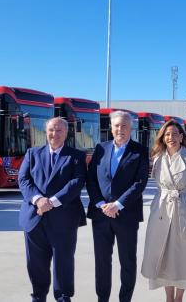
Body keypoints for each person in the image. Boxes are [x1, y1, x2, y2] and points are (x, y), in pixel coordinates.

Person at [18, 117, 87, 302]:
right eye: (51, 130)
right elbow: (23, 180)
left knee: (63, 262)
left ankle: (63, 297)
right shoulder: (33, 153)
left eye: (59, 131)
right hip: (34, 217)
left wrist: (53, 202)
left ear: (66, 133)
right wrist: (39, 199)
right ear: (46, 132)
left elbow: (77, 182)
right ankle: (38, 296)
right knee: (36, 263)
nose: (54, 134)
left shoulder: (76, 156)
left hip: (64, 218)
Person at [87, 111, 149, 302]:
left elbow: (140, 182)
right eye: (116, 126)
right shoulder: (100, 149)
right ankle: (102, 299)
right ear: (111, 128)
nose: (120, 129)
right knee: (102, 263)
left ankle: (125, 299)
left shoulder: (139, 151)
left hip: (127, 216)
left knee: (127, 262)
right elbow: (91, 179)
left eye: (124, 126)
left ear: (130, 128)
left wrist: (118, 204)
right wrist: (101, 204)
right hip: (101, 215)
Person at [141, 120, 186, 302]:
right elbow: (158, 186)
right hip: (162, 212)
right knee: (163, 255)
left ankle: (179, 298)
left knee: (184, 256)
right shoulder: (158, 158)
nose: (171, 138)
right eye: (167, 134)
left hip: (185, 210)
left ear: (181, 137)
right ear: (162, 138)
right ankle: (168, 298)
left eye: (175, 134)